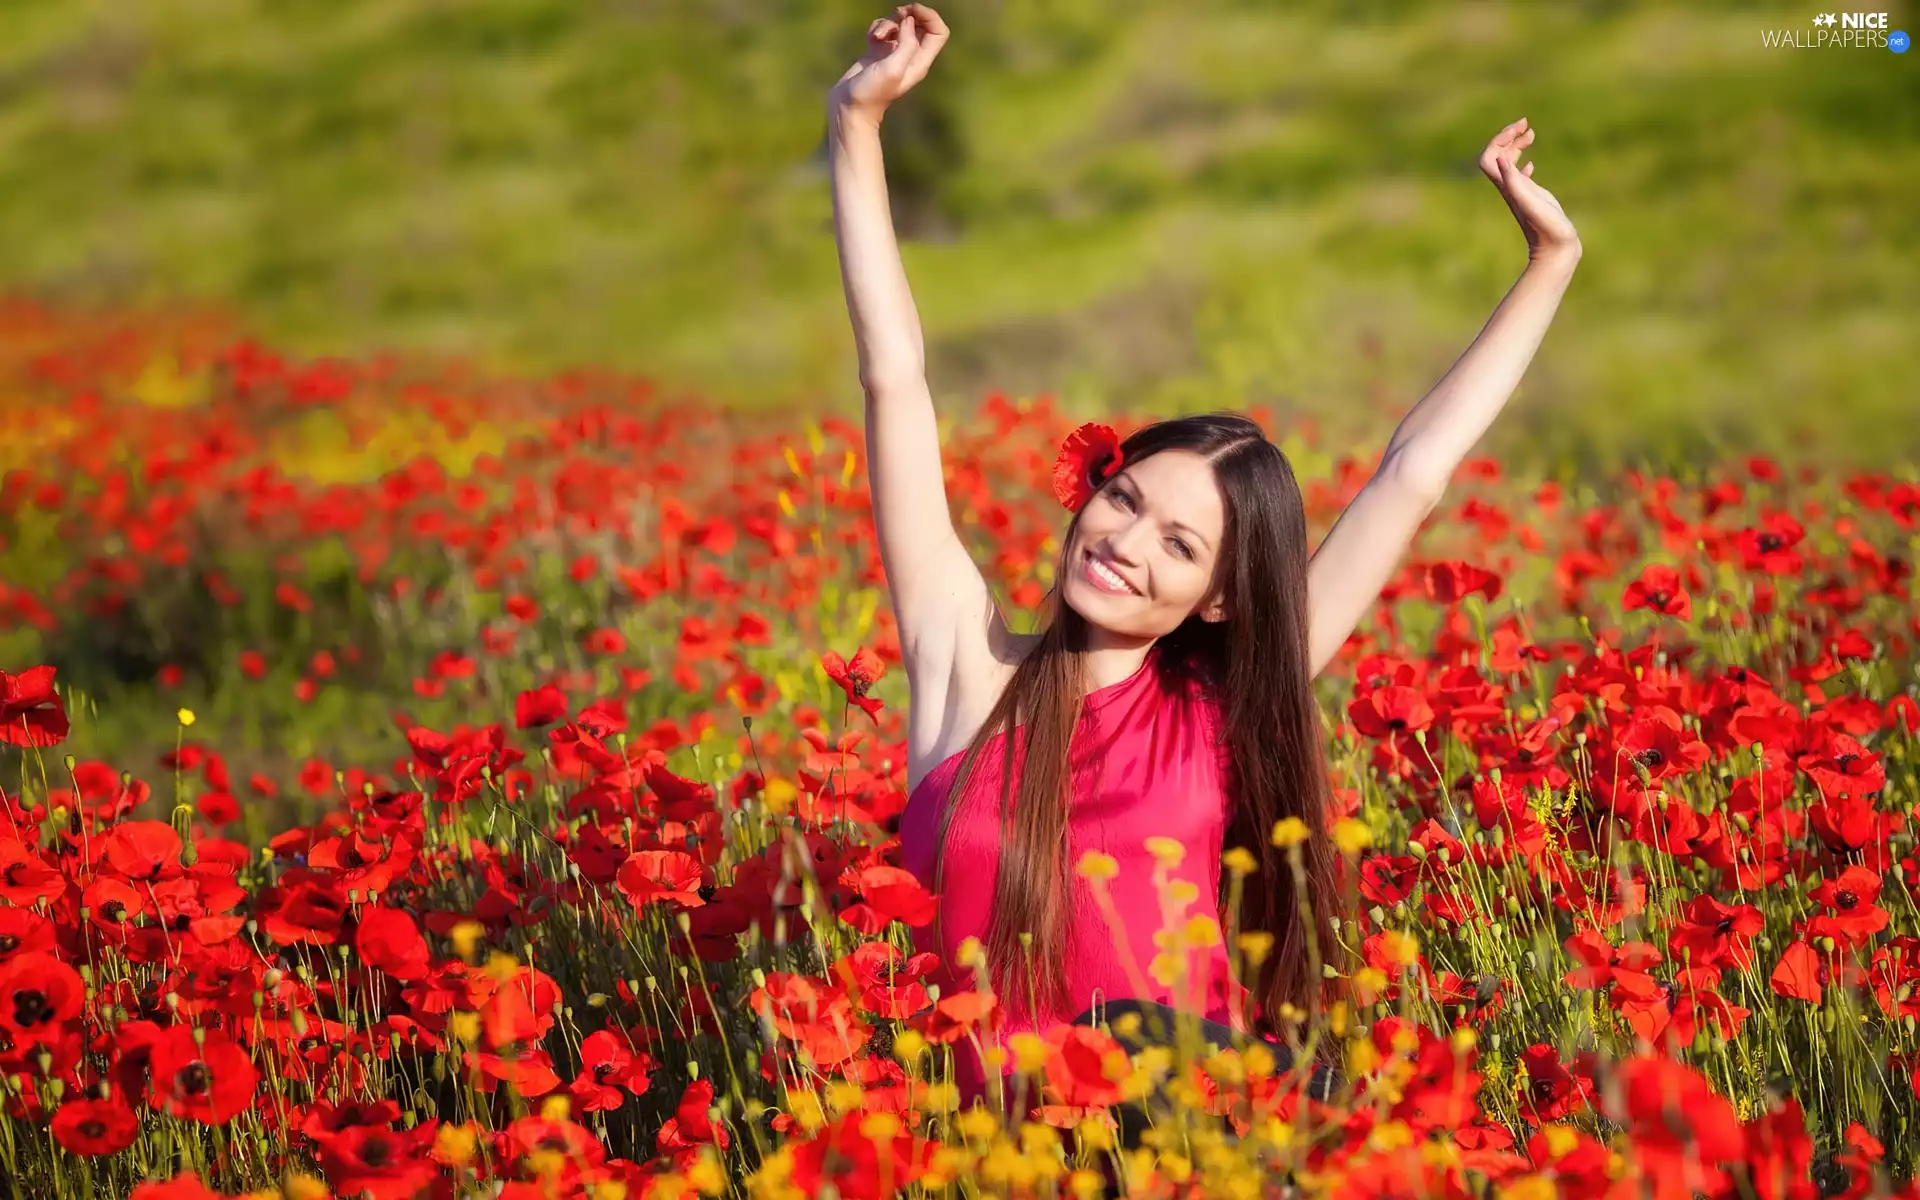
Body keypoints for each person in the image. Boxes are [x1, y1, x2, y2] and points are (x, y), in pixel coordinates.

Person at [826, 3, 1582, 1120]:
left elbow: (1410, 475)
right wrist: (857, 127)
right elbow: (895, 378)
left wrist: (1550, 260)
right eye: (1124, 500)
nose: (1124, 545)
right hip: (992, 1160)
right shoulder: (965, 672)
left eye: (1178, 544)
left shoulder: (1221, 704)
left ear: (1223, 595)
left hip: (1195, 1146)